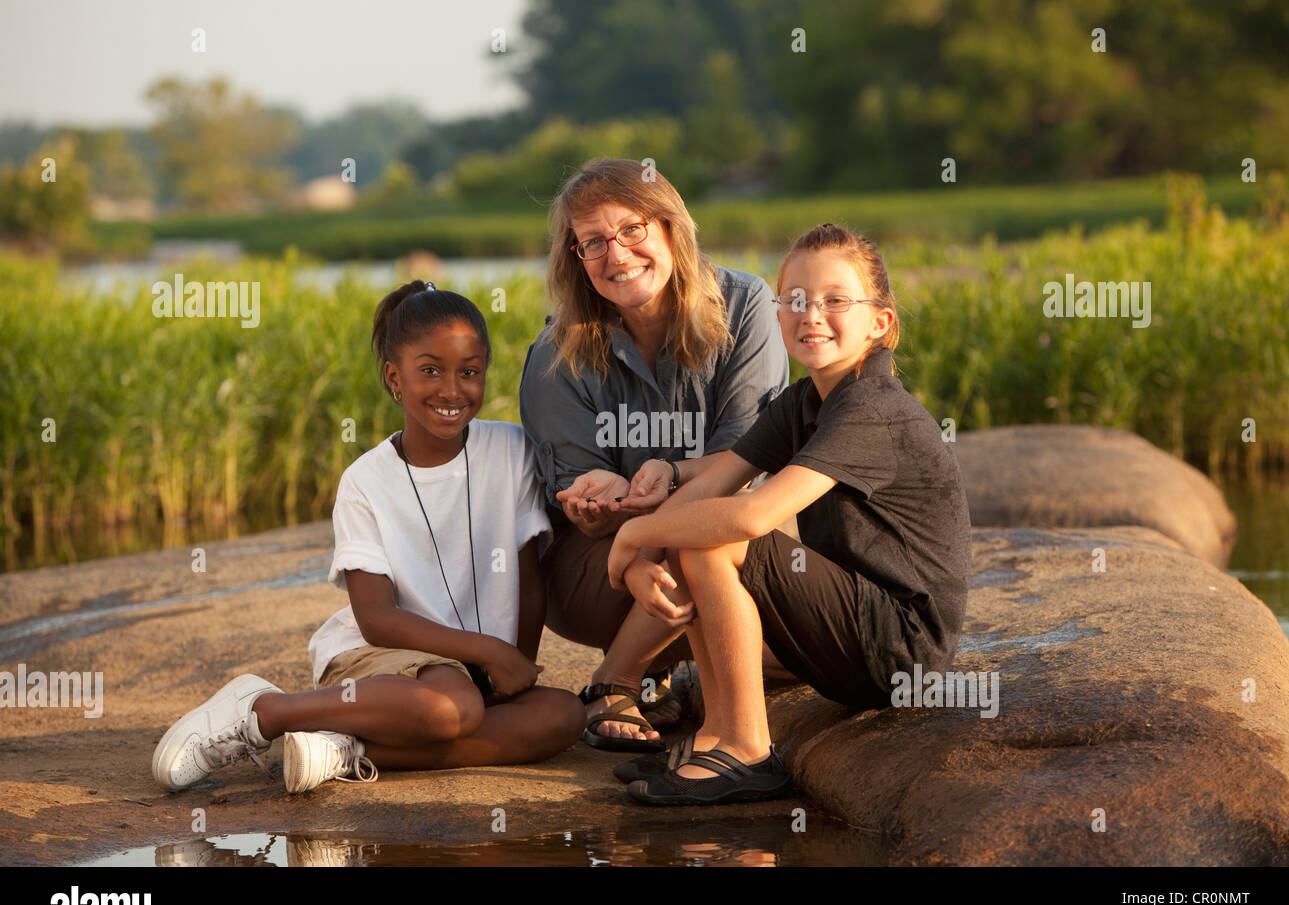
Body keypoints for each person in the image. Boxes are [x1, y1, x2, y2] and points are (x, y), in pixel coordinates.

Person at [152, 282, 585, 794]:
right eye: (430, 370)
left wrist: (510, 668)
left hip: (473, 672)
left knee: (562, 715)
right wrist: (487, 652)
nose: (452, 389)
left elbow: (528, 582)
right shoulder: (364, 482)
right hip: (383, 659)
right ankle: (265, 712)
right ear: (393, 377)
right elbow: (376, 618)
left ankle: (344, 749)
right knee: (451, 706)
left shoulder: (511, 451)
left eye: (469, 372)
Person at [604, 223, 972, 805]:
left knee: (715, 540)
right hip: (847, 631)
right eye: (795, 300)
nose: (811, 314)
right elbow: (713, 485)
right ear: (778, 315)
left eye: (834, 300)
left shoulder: (872, 408)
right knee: (698, 531)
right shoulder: (804, 401)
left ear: (881, 322)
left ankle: (749, 752)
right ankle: (716, 736)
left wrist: (634, 533)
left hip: (901, 648)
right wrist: (641, 559)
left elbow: (752, 517)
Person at [518, 158, 789, 752]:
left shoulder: (747, 307)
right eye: (593, 242)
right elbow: (575, 487)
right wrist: (596, 503)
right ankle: (613, 680)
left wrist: (667, 485)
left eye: (632, 230)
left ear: (670, 228)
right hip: (600, 571)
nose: (616, 255)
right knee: (707, 538)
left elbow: (750, 458)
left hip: (700, 535)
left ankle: (650, 673)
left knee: (728, 532)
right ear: (576, 259)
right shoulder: (555, 353)